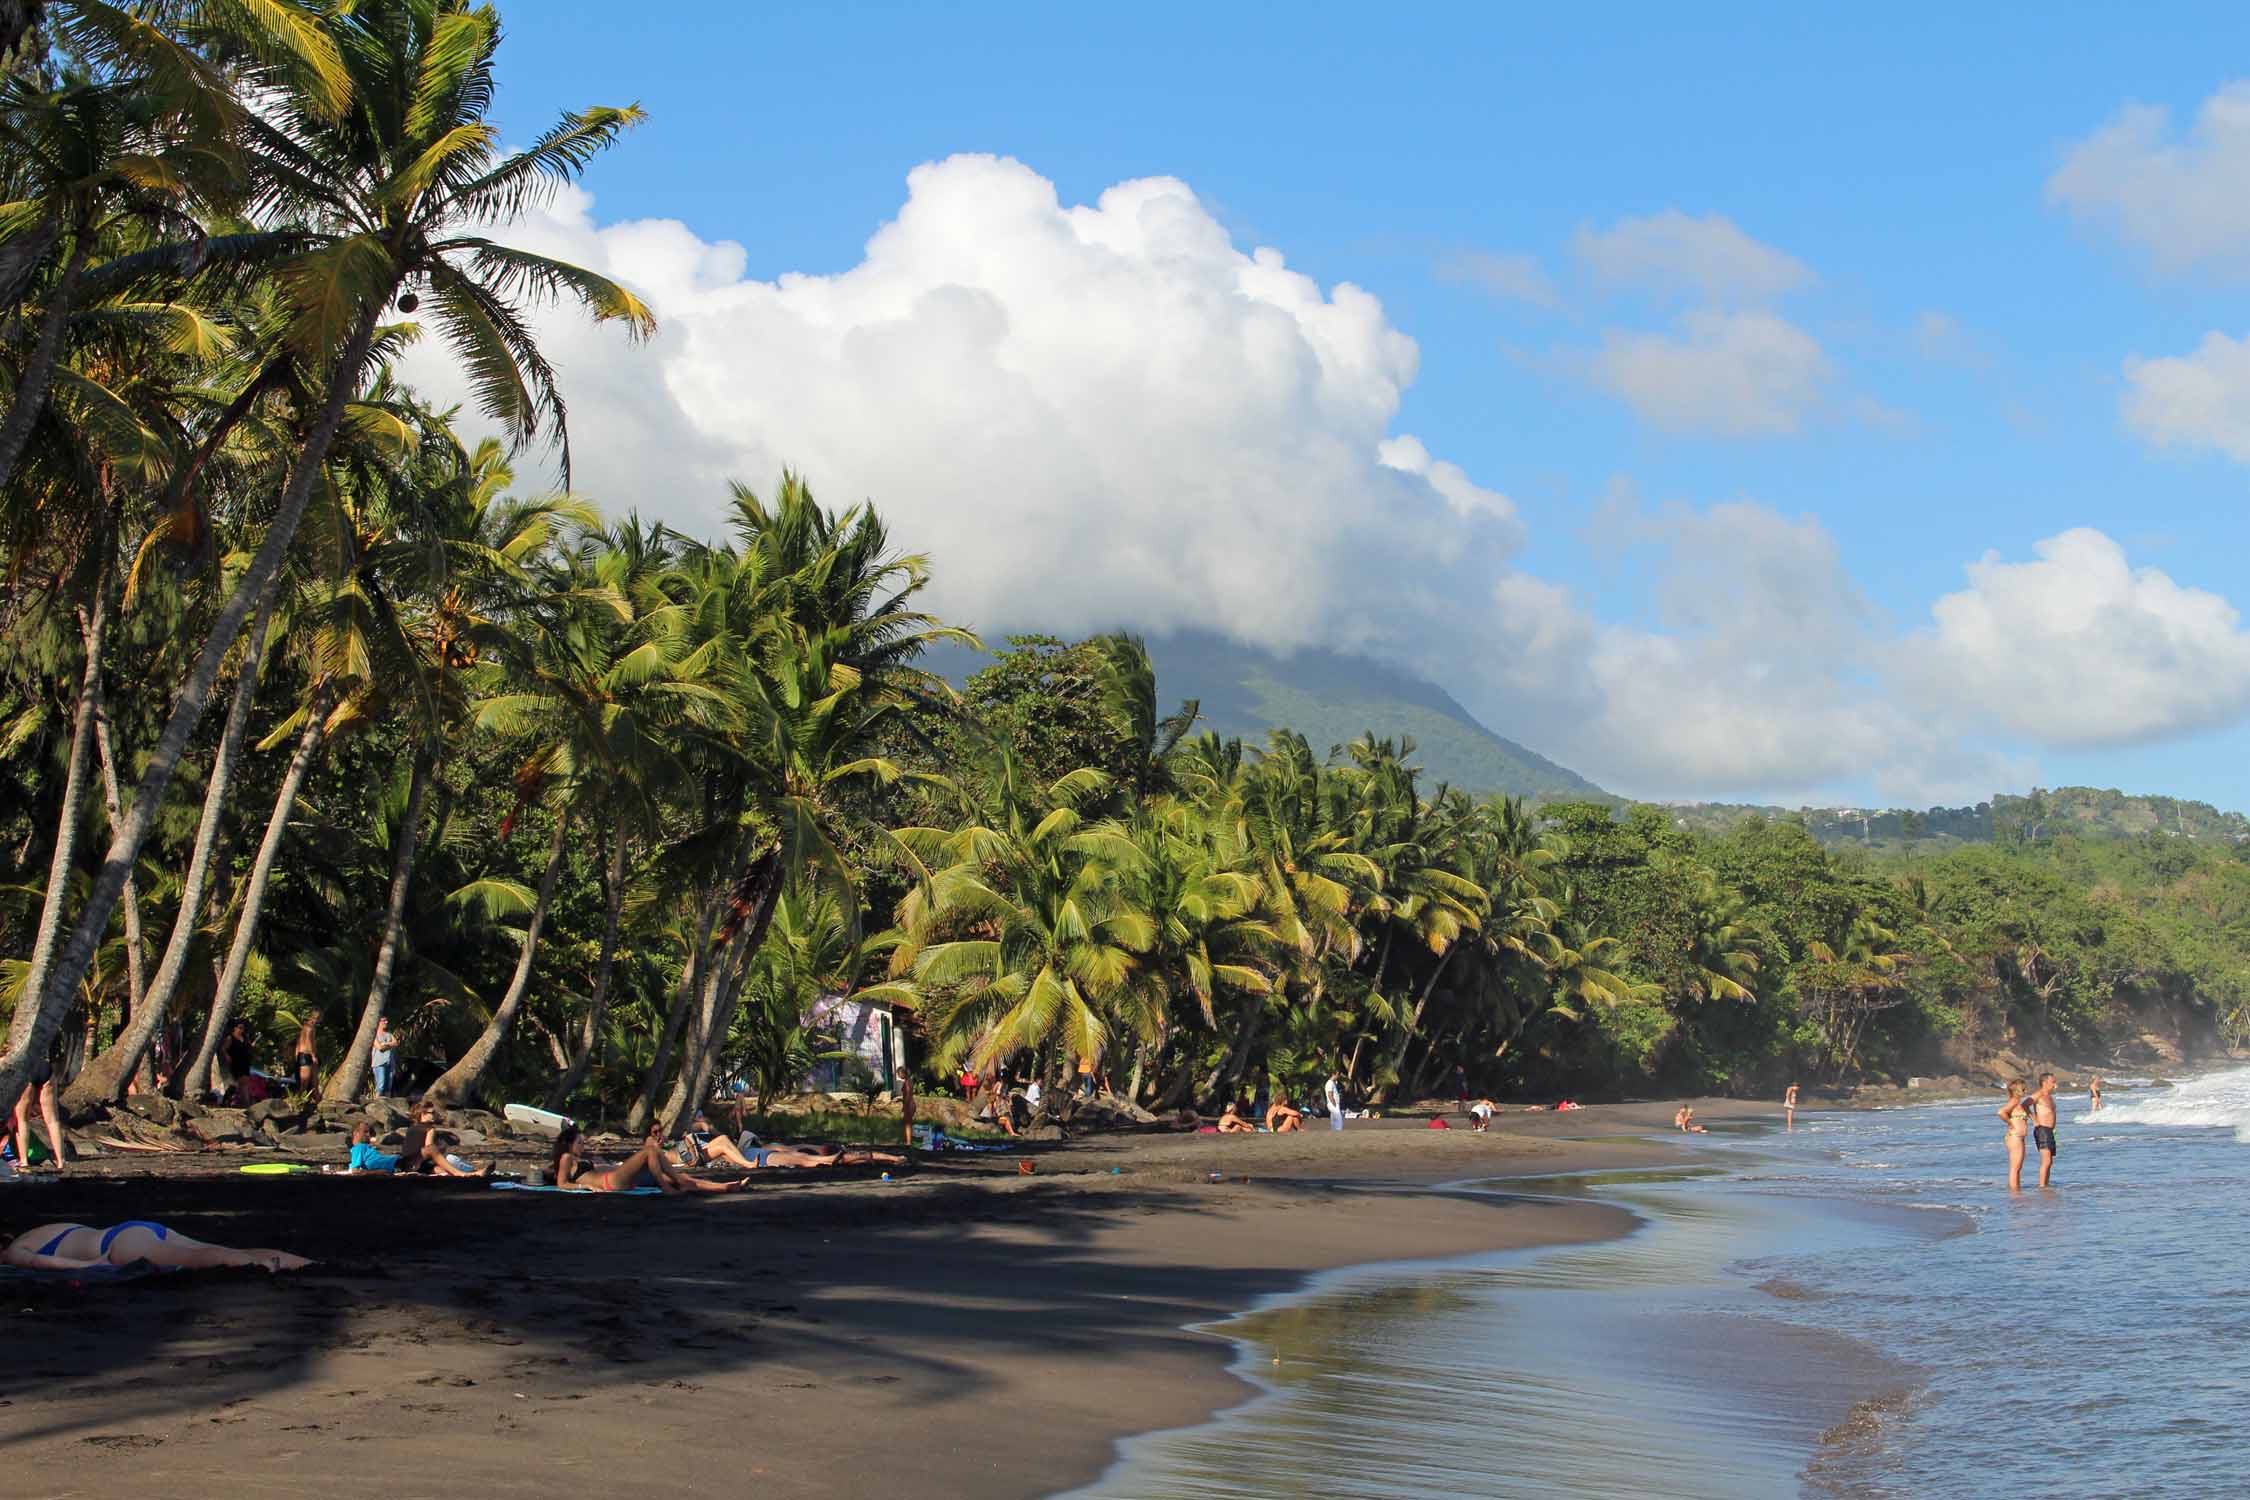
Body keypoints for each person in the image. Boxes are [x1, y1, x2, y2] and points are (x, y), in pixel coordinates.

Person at [6, 1222, 309, 1273]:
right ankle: (305, 1263)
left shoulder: (14, 1249)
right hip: (137, 1228)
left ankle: (261, 1267)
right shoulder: (40, 1230)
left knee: (197, 1258)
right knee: (213, 1247)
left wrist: (89, 1265)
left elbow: (39, 1264)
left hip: (116, 1245)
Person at [551, 1125, 746, 1194]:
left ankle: (725, 1187)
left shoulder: (579, 1159)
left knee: (682, 1176)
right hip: (609, 1182)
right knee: (650, 1151)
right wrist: (583, 1187)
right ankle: (667, 1186)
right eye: (579, 1143)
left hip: (615, 1177)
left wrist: (604, 1163)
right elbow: (561, 1183)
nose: (582, 1146)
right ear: (568, 1144)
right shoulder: (566, 1158)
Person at [394, 1103, 491, 1178]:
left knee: (444, 1171)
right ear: (423, 1114)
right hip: (415, 1163)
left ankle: (473, 1173)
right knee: (434, 1150)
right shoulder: (430, 1128)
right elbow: (429, 1148)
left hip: (408, 1164)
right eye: (432, 1113)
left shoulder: (411, 1128)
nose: (435, 1115)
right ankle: (463, 1173)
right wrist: (440, 1150)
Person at [9, 1046, 67, 1171]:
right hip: (43, 1066)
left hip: (24, 1070)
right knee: (53, 1120)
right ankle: (61, 1161)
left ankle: (24, 1161)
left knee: (22, 1120)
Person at [2026, 1072, 2060, 1188]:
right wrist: (2034, 1120)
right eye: (2053, 1082)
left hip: (2050, 1131)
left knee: (2050, 1161)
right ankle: (2042, 1186)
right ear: (2044, 1083)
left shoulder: (2049, 1096)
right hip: (2042, 1130)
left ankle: (2046, 1185)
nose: (2055, 1085)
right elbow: (2024, 1105)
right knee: (2046, 1161)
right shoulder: (2038, 1095)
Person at [1997, 1080, 2030, 1192]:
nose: (2025, 1091)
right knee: (2015, 1168)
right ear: (2016, 1091)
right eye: (2023, 1089)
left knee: (2017, 1167)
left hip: (2018, 1137)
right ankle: (2015, 1192)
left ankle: (2016, 1189)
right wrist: (2010, 1123)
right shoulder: (2014, 1101)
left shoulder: (2017, 1102)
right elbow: (2001, 1112)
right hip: (2015, 1137)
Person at [221, 1019, 254, 1104]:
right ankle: (245, 1103)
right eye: (239, 1028)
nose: (241, 1030)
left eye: (242, 1028)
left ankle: (236, 1101)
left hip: (245, 1062)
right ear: (235, 1028)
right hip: (236, 1062)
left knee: (244, 1083)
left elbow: (248, 1048)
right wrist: (227, 1056)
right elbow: (223, 1049)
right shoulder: (230, 1038)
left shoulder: (245, 1038)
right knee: (241, 1083)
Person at [293, 1008, 321, 1095]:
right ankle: (298, 1101)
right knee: (304, 1083)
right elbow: (309, 1041)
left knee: (315, 1083)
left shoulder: (305, 1027)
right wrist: (313, 1055)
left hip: (303, 1055)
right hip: (306, 1055)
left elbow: (299, 1042)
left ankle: (316, 1100)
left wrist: (296, 1054)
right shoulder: (309, 1028)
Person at [371, 1017, 397, 1098]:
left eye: (386, 1020)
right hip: (379, 1063)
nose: (386, 1022)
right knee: (380, 1086)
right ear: (378, 1022)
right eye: (384, 1021)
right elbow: (379, 1047)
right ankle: (376, 1105)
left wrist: (385, 1044)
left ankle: (387, 1106)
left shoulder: (389, 1034)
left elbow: (395, 1043)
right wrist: (390, 1044)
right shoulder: (374, 1034)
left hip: (390, 1063)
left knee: (388, 1087)